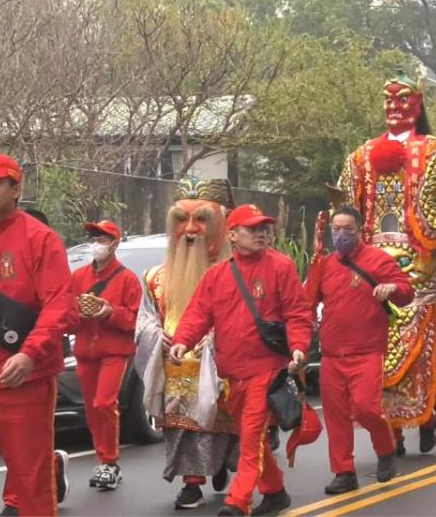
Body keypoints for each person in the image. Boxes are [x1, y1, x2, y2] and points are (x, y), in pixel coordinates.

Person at [335, 72, 436, 456]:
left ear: (417, 104)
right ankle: (394, 432)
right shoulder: (360, 157)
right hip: (370, 274)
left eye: (403, 99)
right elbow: (343, 213)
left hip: (421, 272)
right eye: (389, 100)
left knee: (418, 355)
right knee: (378, 360)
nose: (394, 107)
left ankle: (427, 415)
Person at [0, 153, 78, 516]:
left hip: (24, 387)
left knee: (33, 489)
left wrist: (30, 353)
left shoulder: (41, 241)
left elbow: (59, 306)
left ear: (16, 188)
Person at [170, 203, 313, 516]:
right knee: (254, 439)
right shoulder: (217, 276)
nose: (261, 234)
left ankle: (238, 502)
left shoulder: (281, 266)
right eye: (253, 228)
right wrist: (182, 341)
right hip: (233, 375)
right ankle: (275, 492)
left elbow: (298, 314)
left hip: (267, 371)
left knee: (250, 438)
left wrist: (299, 346)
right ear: (232, 235)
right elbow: (198, 314)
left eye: (264, 228)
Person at [133, 178, 239, 510]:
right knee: (182, 430)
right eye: (181, 220)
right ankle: (192, 483)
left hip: (221, 367)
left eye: (201, 220)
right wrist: (154, 334)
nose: (190, 230)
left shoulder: (235, 273)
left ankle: (220, 465)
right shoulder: (155, 277)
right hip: (176, 367)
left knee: (224, 425)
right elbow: (145, 318)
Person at [305, 206, 414, 494]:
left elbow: (407, 292)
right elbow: (305, 304)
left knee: (366, 409)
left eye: (348, 230)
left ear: (361, 230)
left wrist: (391, 287)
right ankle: (343, 472)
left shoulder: (378, 260)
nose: (341, 235)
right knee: (336, 417)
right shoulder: (324, 265)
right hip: (331, 354)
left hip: (366, 351)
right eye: (336, 230)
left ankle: (385, 448)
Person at [0, 208, 71, 516]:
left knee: (26, 445)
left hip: (37, 368)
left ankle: (16, 501)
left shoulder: (50, 259)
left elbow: (64, 311)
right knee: (6, 442)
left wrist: (31, 352)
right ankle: (52, 463)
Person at [72, 220, 142, 490]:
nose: (97, 243)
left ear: (115, 243)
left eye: (102, 239)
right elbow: (66, 313)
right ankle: (103, 459)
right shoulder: (78, 277)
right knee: (91, 408)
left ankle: (110, 462)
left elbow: (135, 320)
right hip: (85, 353)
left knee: (104, 403)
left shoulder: (127, 279)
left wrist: (110, 312)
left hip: (114, 352)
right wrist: (76, 314)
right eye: (94, 238)